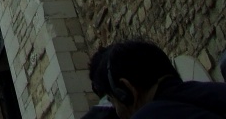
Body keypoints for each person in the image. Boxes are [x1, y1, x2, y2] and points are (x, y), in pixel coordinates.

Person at [88, 39, 226, 119]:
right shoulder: (213, 92)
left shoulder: (149, 115)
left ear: (127, 90)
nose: (117, 114)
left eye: (113, 101)